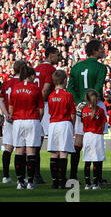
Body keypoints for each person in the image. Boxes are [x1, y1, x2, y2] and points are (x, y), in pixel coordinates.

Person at [67, 39, 108, 181]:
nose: (103, 50)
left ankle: (73, 175)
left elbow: (70, 88)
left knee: (78, 140)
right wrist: (91, 102)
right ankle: (98, 177)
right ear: (95, 51)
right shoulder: (102, 68)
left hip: (80, 106)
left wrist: (80, 103)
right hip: (96, 105)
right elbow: (97, 87)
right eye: (101, 48)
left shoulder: (76, 67)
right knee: (97, 138)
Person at [9, 64, 44, 189]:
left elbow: (11, 107)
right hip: (32, 120)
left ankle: (20, 182)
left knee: (19, 151)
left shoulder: (15, 88)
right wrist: (37, 120)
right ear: (32, 76)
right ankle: (30, 182)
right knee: (31, 152)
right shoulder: (35, 88)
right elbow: (41, 109)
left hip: (18, 121)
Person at [33, 46, 60, 184]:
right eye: (56, 55)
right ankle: (57, 176)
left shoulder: (36, 68)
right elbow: (46, 88)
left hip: (35, 106)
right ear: (50, 56)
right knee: (54, 139)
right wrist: (40, 104)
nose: (59, 57)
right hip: (45, 106)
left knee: (37, 141)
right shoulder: (50, 70)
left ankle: (35, 174)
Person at [47, 70, 76, 189]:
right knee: (63, 153)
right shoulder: (68, 95)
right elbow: (72, 113)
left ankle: (55, 181)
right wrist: (72, 126)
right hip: (64, 124)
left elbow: (50, 112)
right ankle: (62, 181)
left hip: (53, 124)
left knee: (54, 153)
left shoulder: (51, 95)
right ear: (65, 81)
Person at [0, 60, 26, 184]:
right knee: (22, 148)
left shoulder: (6, 83)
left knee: (8, 148)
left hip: (9, 119)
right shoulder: (23, 83)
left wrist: (6, 114)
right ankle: (21, 177)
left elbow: (1, 100)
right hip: (21, 118)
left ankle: (5, 176)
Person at [80, 89, 107, 190]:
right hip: (97, 135)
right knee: (96, 160)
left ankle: (87, 183)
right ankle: (95, 183)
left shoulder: (84, 110)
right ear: (98, 98)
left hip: (87, 136)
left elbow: (83, 122)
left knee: (87, 160)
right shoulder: (100, 110)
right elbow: (103, 125)